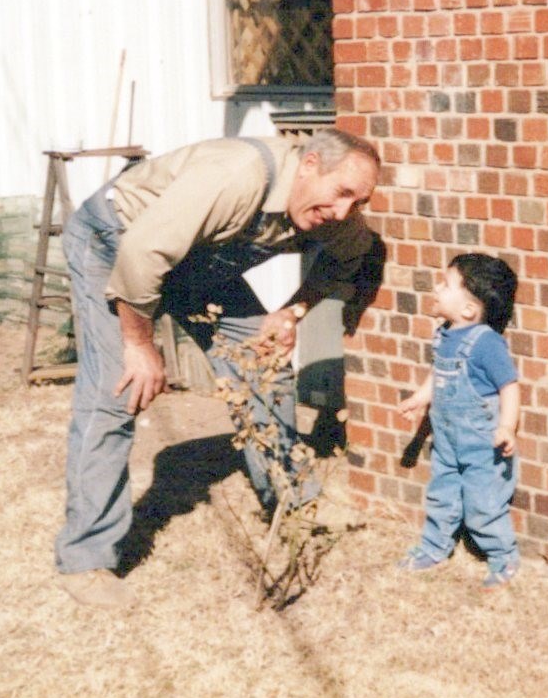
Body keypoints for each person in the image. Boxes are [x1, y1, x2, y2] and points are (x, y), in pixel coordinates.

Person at [56, 128, 381, 609]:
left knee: (264, 370)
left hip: (198, 263)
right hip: (116, 241)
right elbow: (142, 255)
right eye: (342, 194)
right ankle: (86, 559)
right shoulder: (237, 175)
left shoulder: (335, 210)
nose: (343, 213)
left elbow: (355, 256)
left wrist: (291, 311)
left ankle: (291, 507)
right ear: (309, 165)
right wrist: (139, 344)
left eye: (360, 202)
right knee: (116, 391)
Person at [396, 252, 522, 589]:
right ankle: (435, 548)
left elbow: (509, 386)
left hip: (482, 443)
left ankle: (503, 556)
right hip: (447, 438)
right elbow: (438, 372)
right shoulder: (444, 335)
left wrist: (507, 427)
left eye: (446, 284)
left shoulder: (486, 344)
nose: (436, 287)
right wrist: (422, 396)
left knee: (483, 502)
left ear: (469, 309)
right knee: (442, 494)